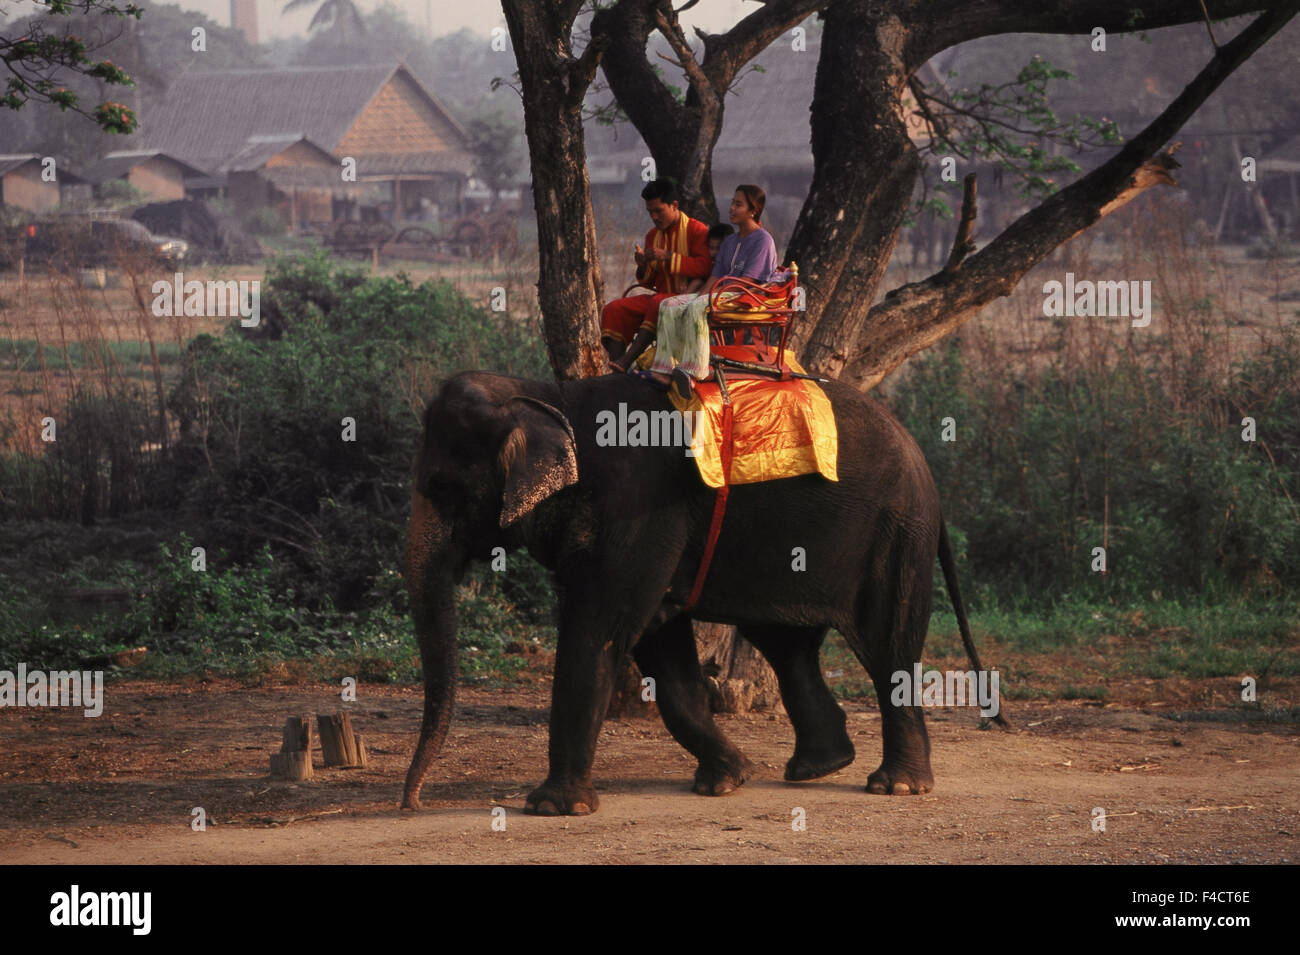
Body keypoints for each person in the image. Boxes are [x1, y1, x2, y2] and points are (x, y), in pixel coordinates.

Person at [647, 184, 778, 400]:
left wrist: (708, 299)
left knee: (699, 307)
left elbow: (748, 280)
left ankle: (698, 370)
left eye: (738, 204)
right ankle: (664, 368)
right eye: (732, 203)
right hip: (722, 292)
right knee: (670, 304)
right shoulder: (730, 241)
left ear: (753, 210)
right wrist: (698, 297)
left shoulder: (763, 240)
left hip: (746, 295)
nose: (732, 209)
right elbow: (715, 276)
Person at [602, 178, 712, 371]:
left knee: (657, 302)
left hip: (689, 299)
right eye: (650, 212)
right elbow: (648, 280)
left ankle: (626, 361)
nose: (653, 217)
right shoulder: (652, 236)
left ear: (674, 205)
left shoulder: (697, 230)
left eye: (658, 211)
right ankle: (617, 371)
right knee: (613, 309)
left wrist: (668, 257)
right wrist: (643, 265)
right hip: (660, 297)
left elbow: (705, 267)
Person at [683, 223, 734, 294]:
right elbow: (700, 280)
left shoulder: (733, 264)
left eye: (718, 248)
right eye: (711, 248)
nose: (713, 253)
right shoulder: (710, 264)